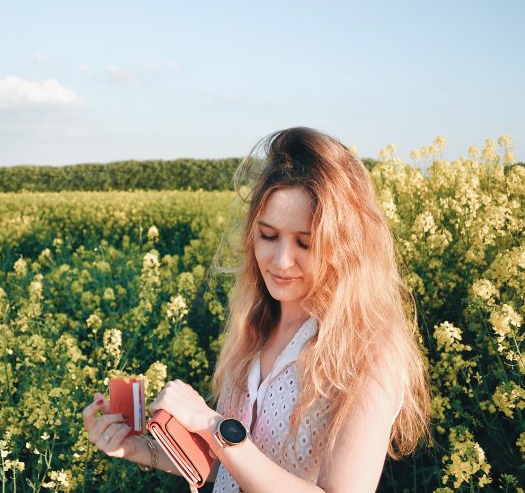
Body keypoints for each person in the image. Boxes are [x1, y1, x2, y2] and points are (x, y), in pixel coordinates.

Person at [82, 127, 431, 492]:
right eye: (267, 235)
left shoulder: (369, 348)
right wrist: (139, 448)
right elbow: (234, 466)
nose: (281, 261)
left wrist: (212, 423)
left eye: (305, 243)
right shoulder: (255, 325)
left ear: (346, 246)